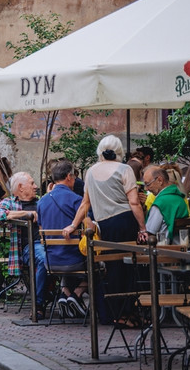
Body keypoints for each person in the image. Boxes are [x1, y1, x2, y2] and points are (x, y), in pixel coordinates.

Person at [63, 135, 147, 326]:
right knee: (130, 267)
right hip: (126, 221)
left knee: (113, 268)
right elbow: (133, 202)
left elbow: (85, 203)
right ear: (119, 151)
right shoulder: (125, 169)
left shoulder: (91, 172)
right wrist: (143, 228)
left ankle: (117, 313)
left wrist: (73, 225)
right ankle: (128, 312)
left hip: (106, 224)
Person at [0, 172, 47, 319]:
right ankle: (39, 305)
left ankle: (69, 296)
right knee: (44, 259)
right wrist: (25, 214)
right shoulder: (9, 202)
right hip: (30, 246)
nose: (36, 186)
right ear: (21, 187)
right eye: (32, 183)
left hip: (51, 243)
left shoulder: (42, 201)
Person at [37, 160, 87, 318]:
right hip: (75, 261)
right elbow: (89, 227)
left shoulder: (42, 201)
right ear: (69, 177)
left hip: (51, 262)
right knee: (100, 266)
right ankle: (76, 294)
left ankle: (65, 293)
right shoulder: (76, 200)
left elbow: (40, 229)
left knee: (64, 255)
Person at [142, 166, 189, 245]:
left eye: (148, 184)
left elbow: (150, 232)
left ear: (160, 180)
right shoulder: (180, 199)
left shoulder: (160, 203)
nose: (146, 189)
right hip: (180, 249)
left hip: (162, 250)